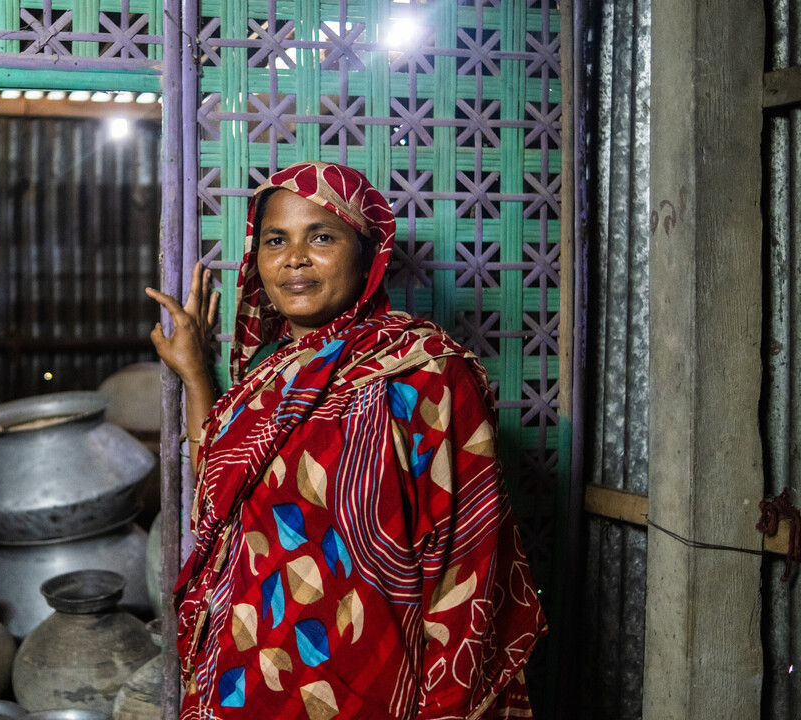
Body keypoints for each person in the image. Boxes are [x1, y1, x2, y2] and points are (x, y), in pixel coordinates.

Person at [146, 161, 546, 720]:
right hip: (246, 669)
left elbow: (468, 550)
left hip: (370, 672)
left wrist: (448, 700)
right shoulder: (265, 375)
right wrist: (195, 374)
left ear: (368, 254)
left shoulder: (423, 372)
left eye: (322, 236)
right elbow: (218, 492)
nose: (294, 259)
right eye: (275, 240)